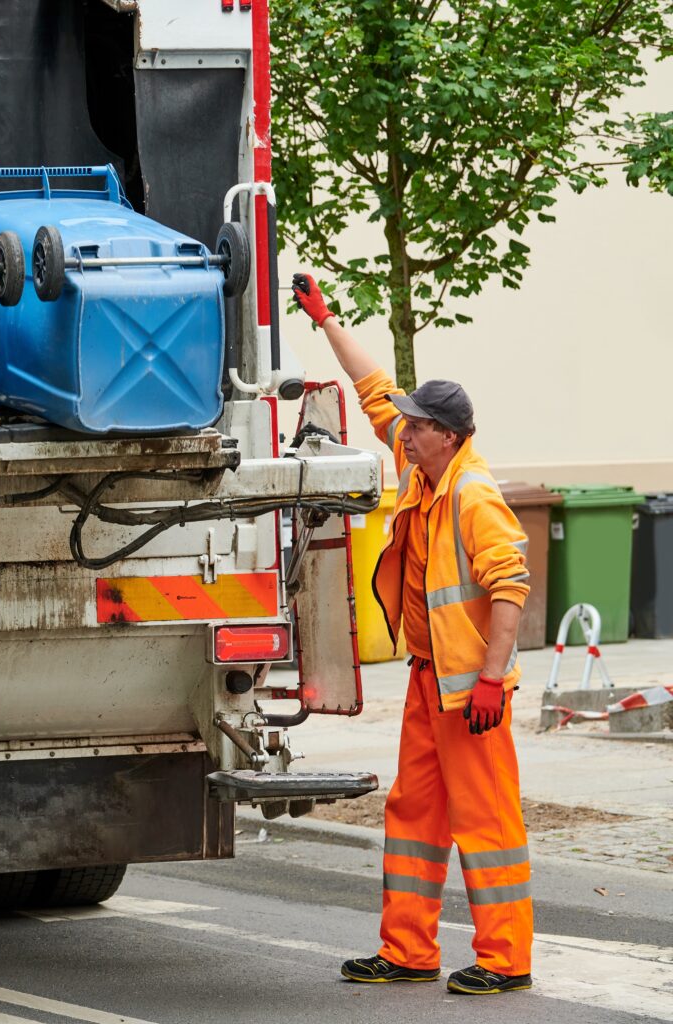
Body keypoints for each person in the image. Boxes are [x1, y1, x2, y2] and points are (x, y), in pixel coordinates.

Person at [292, 272, 534, 996]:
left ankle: (506, 960)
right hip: (430, 684)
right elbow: (373, 388)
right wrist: (325, 318)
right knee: (415, 814)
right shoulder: (419, 467)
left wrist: (491, 680)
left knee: (486, 822)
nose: (404, 427)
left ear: (447, 435)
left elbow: (511, 590)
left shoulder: (473, 495)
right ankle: (407, 950)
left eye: (418, 423)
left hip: (471, 695)